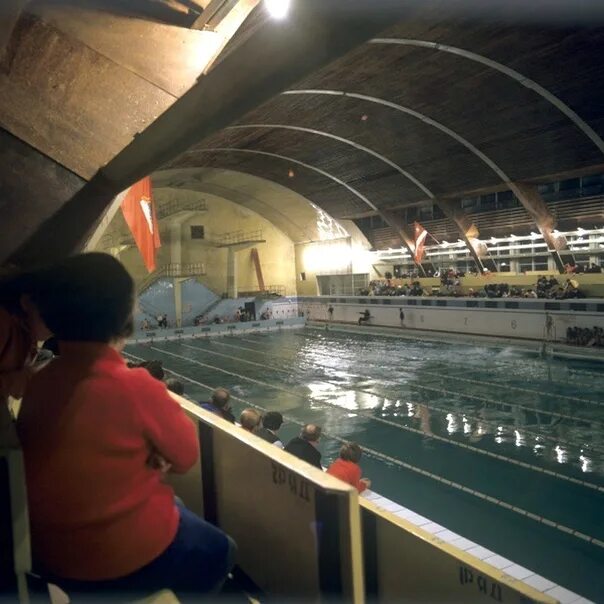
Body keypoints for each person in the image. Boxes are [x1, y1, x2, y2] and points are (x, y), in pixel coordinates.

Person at [17, 253, 235, 599]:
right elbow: (185, 458)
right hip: (121, 560)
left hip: (52, 556)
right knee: (220, 548)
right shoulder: (136, 386)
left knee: (175, 505)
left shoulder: (40, 381)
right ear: (123, 315)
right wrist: (153, 455)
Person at [0, 268, 53, 447]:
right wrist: (16, 381)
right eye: (50, 318)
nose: (55, 328)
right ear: (26, 302)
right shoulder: (4, 324)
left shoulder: (27, 333)